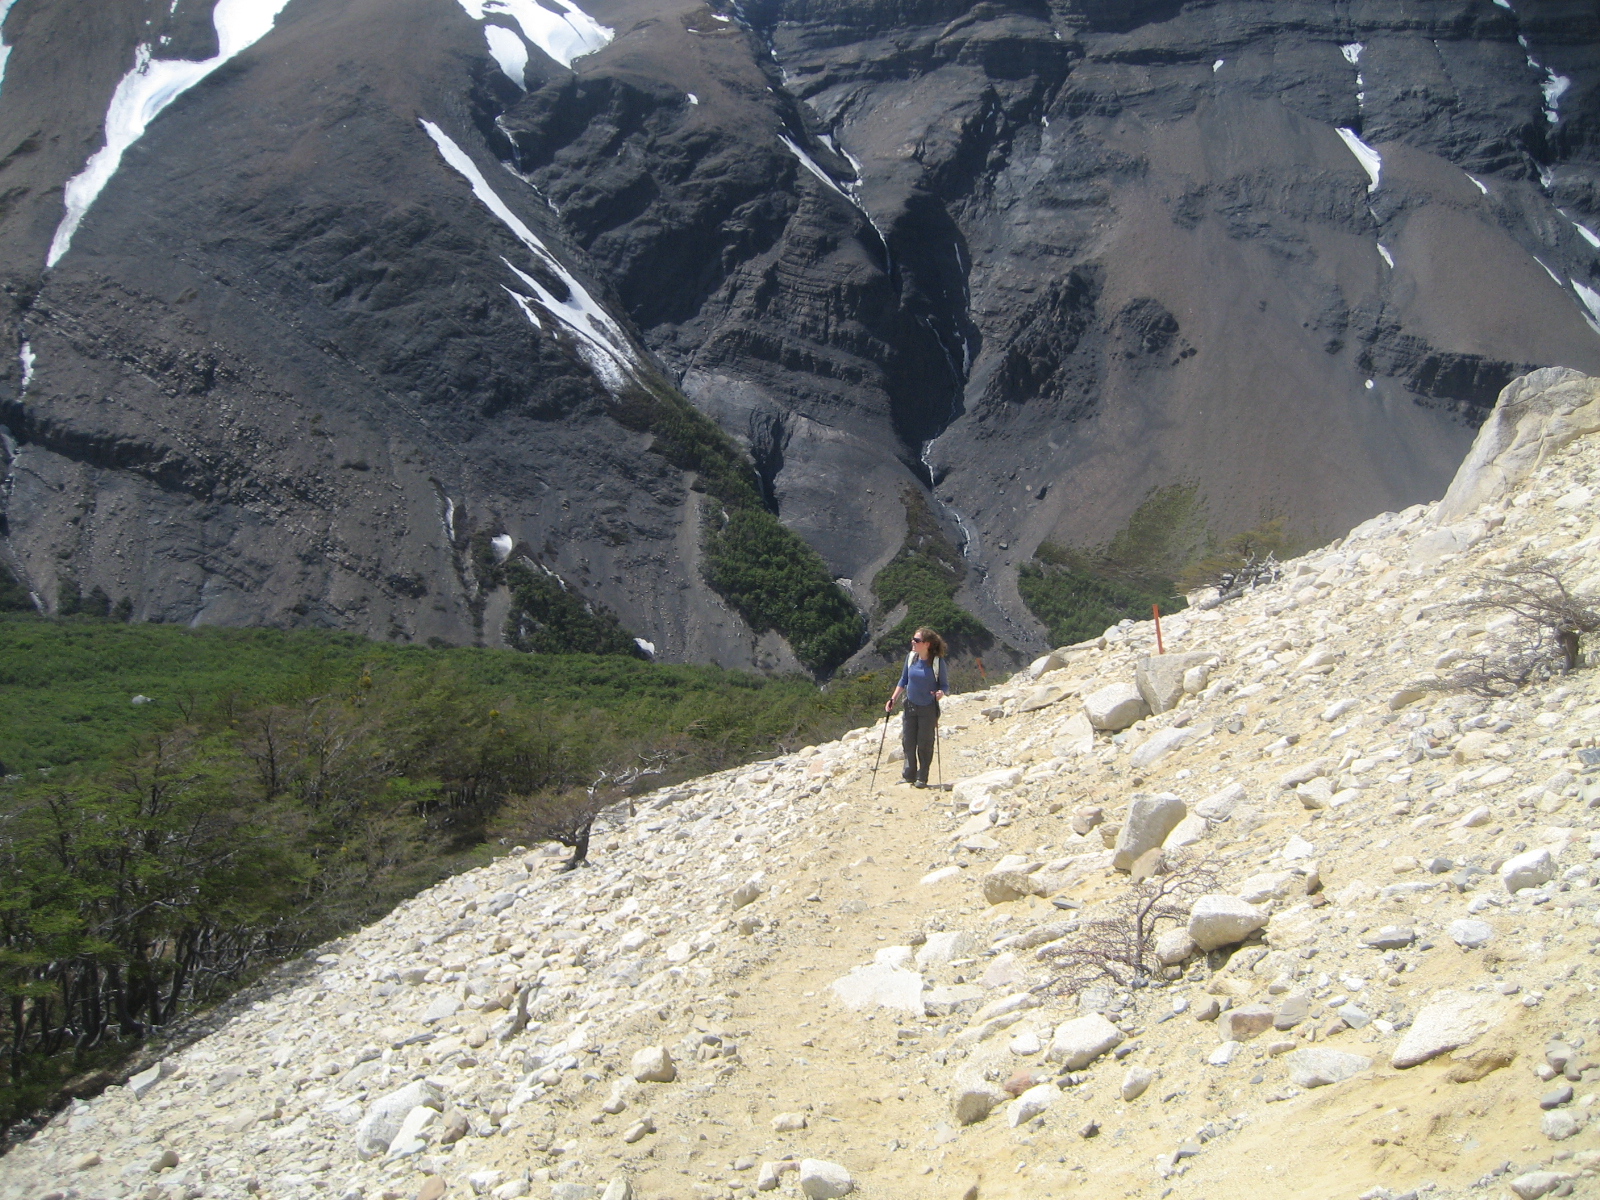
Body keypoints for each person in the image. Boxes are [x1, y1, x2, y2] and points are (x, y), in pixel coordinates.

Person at [887, 626, 947, 788]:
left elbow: (944, 685)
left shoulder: (937, 662)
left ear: (927, 644)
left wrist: (940, 693)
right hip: (910, 705)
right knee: (908, 741)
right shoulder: (911, 658)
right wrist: (893, 699)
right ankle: (909, 775)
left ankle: (922, 777)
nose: (913, 642)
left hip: (928, 707)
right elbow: (903, 680)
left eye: (917, 640)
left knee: (925, 742)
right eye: (913, 639)